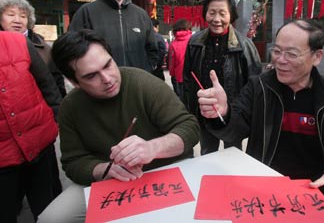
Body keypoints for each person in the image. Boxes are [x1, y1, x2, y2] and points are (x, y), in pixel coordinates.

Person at [197, 20, 324, 217]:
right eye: (276, 51)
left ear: (317, 56)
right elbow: (235, 127)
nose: (280, 60)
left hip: (317, 192)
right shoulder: (259, 87)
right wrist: (223, 113)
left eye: (292, 54)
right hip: (265, 187)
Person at [38, 30, 199, 223]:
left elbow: (189, 128)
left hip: (163, 170)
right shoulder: (70, 107)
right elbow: (72, 162)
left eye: (108, 65)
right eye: (91, 76)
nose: (107, 79)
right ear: (74, 82)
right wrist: (104, 169)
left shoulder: (143, 83)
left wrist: (152, 148)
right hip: (110, 180)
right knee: (51, 218)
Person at [183, 0, 262, 155]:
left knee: (232, 155)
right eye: (212, 13)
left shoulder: (244, 46)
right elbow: (187, 78)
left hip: (233, 114)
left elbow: (254, 83)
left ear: (231, 16)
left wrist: (246, 113)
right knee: (207, 153)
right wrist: (190, 109)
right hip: (205, 110)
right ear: (205, 14)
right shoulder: (194, 42)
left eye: (222, 13)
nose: (216, 19)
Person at [0, 31, 62, 223]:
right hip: (3, 158)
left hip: (39, 143)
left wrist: (57, 120)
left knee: (47, 209)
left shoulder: (17, 41)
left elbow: (48, 85)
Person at [69, 0, 159, 74]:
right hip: (103, 84)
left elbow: (152, 49)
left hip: (136, 84)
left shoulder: (141, 15)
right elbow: (72, 49)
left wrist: (147, 69)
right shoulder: (87, 12)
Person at [0, 0, 66, 97]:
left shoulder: (42, 46)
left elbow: (56, 81)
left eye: (23, 16)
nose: (17, 20)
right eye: (11, 15)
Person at [168, 19, 192, 97]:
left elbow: (172, 63)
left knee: (181, 100)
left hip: (179, 76)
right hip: (193, 76)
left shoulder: (173, 44)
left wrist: (172, 75)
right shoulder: (194, 40)